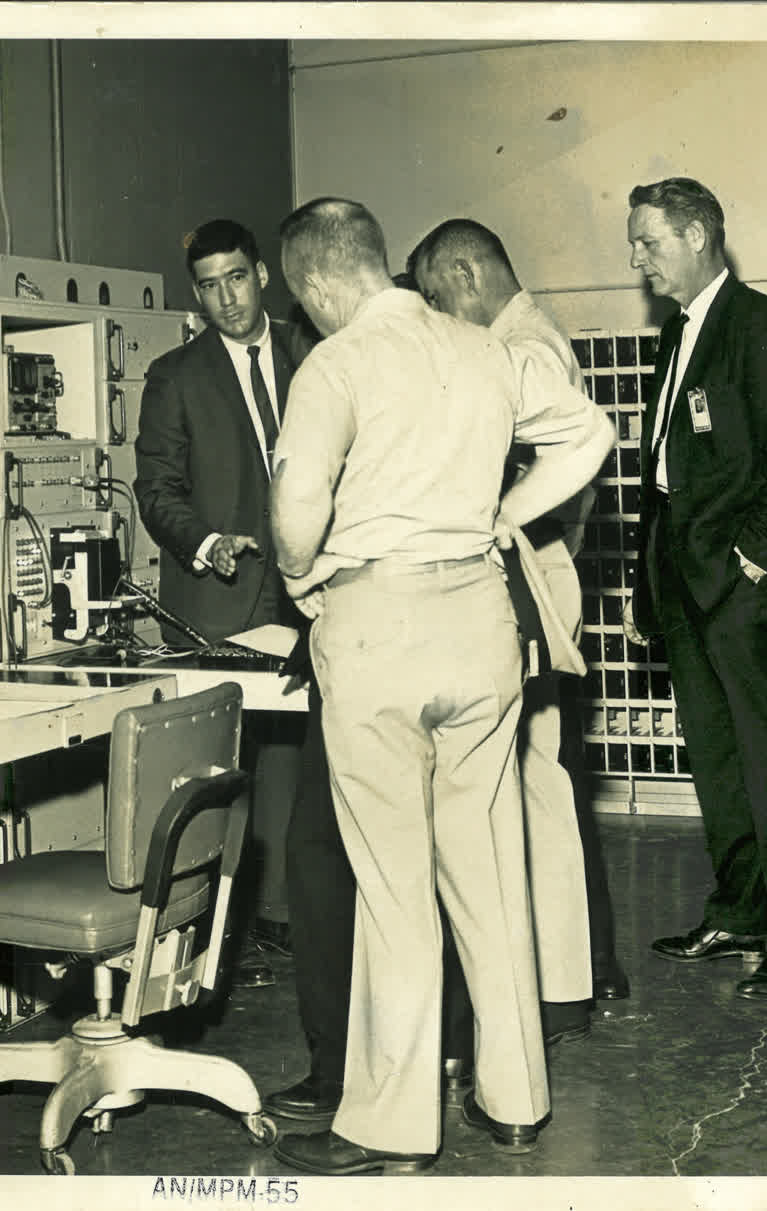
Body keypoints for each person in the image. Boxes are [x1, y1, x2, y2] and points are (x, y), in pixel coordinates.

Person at [268, 198, 613, 1175]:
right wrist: (506, 515)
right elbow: (589, 434)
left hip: (377, 626)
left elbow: (297, 515)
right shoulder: (481, 348)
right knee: (493, 864)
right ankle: (516, 1099)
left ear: (316, 284)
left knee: (393, 883)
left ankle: (392, 1121)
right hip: (480, 627)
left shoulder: (331, 366)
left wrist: (305, 578)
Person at [413, 217, 631, 1038]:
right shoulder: (530, 331)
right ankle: (568, 979)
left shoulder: (520, 347)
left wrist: (498, 516)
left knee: (530, 788)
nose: (438, 314)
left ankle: (559, 984)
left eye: (438, 297)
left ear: (466, 276)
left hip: (528, 576)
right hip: (540, 571)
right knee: (543, 783)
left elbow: (558, 449)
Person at [624, 178, 767, 997]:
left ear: (698, 236)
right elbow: (664, 471)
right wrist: (653, 586)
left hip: (740, 579)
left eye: (649, 242)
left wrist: (752, 557)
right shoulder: (679, 333)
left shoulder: (760, 326)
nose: (636, 259)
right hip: (684, 579)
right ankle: (741, 908)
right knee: (716, 756)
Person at [133, 218, 314, 988]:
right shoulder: (175, 376)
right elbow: (157, 489)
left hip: (310, 590)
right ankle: (200, 935)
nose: (225, 298)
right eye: (208, 286)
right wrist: (205, 542)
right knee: (214, 768)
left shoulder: (314, 354)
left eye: (236, 278)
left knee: (298, 763)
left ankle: (285, 916)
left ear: (263, 274)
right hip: (221, 593)